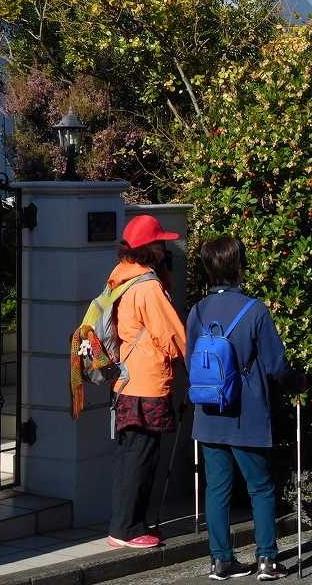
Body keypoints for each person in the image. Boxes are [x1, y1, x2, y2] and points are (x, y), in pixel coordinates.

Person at [187, 235, 307, 581]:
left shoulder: (196, 311)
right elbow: (275, 365)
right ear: (238, 266)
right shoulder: (254, 310)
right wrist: (298, 382)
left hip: (208, 413)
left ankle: (220, 560)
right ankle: (267, 559)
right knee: (260, 486)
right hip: (247, 413)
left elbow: (189, 360)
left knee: (217, 488)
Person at [108, 215, 187, 549]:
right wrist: (194, 363)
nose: (164, 246)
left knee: (132, 456)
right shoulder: (148, 287)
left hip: (127, 383)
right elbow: (171, 334)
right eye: (160, 242)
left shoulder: (119, 278)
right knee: (142, 458)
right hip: (148, 384)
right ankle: (128, 528)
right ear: (148, 248)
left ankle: (124, 525)